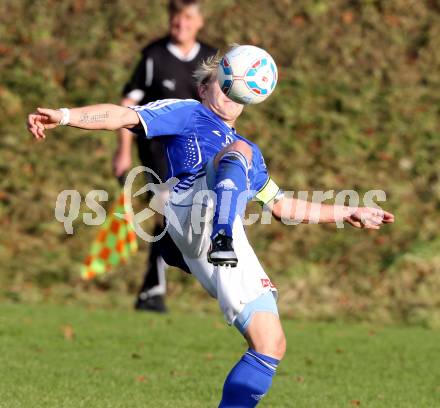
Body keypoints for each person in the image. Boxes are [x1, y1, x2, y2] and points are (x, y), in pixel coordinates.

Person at [27, 51, 394, 407]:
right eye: (222, 82)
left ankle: (221, 238)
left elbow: (283, 207)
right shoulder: (188, 113)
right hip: (187, 204)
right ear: (204, 89)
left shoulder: (252, 154)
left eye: (236, 87)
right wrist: (63, 116)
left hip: (217, 241)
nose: (230, 92)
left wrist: (347, 213)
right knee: (236, 153)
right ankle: (221, 234)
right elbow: (122, 115)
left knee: (270, 343)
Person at [114, 0, 216, 312]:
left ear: (198, 22)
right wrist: (123, 151)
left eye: (187, 18)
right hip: (159, 150)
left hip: (200, 151)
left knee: (197, 213)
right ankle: (155, 288)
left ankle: (153, 287)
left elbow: (223, 103)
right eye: (176, 17)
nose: (181, 24)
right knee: (168, 208)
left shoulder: (209, 59)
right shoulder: (153, 57)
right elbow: (126, 105)